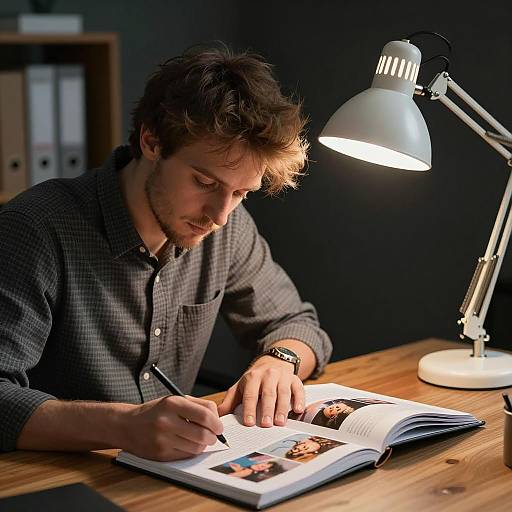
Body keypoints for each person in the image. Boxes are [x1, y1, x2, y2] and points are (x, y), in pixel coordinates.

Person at [0, 45, 332, 461]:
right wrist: (122, 426)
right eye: (204, 182)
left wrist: (279, 362)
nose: (220, 215)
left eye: (241, 193)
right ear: (152, 141)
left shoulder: (224, 227)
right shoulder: (36, 228)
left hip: (173, 476)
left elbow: (298, 324)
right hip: (52, 481)